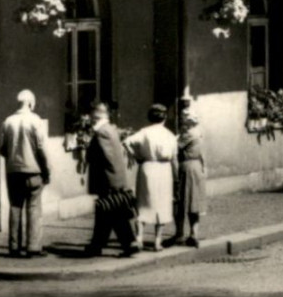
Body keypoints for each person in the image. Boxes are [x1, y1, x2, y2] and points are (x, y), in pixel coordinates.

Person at [0, 89, 50, 258]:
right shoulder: (35, 121)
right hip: (33, 171)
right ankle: (33, 246)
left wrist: (13, 157)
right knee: (34, 208)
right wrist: (46, 169)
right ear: (30, 103)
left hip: (13, 171)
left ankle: (14, 246)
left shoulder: (7, 121)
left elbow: (2, 149)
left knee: (15, 207)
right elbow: (41, 148)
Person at [81, 100, 135, 258]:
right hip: (111, 179)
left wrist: (88, 149)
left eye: (91, 114)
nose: (90, 117)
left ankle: (127, 243)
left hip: (107, 180)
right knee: (107, 213)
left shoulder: (102, 132)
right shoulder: (110, 129)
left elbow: (107, 158)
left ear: (96, 115)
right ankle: (97, 245)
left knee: (112, 213)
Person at [125, 103, 177, 252]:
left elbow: (127, 142)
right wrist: (176, 176)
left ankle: (139, 238)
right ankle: (157, 242)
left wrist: (137, 157)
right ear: (165, 117)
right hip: (164, 169)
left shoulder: (144, 132)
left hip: (147, 168)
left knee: (144, 203)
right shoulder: (169, 135)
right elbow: (174, 158)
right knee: (162, 204)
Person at [173, 110, 208, 247]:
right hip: (197, 166)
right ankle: (194, 233)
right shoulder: (200, 132)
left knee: (181, 200)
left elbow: (174, 146)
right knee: (194, 201)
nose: (182, 121)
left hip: (187, 166)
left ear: (190, 121)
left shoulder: (189, 134)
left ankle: (180, 233)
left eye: (185, 119)